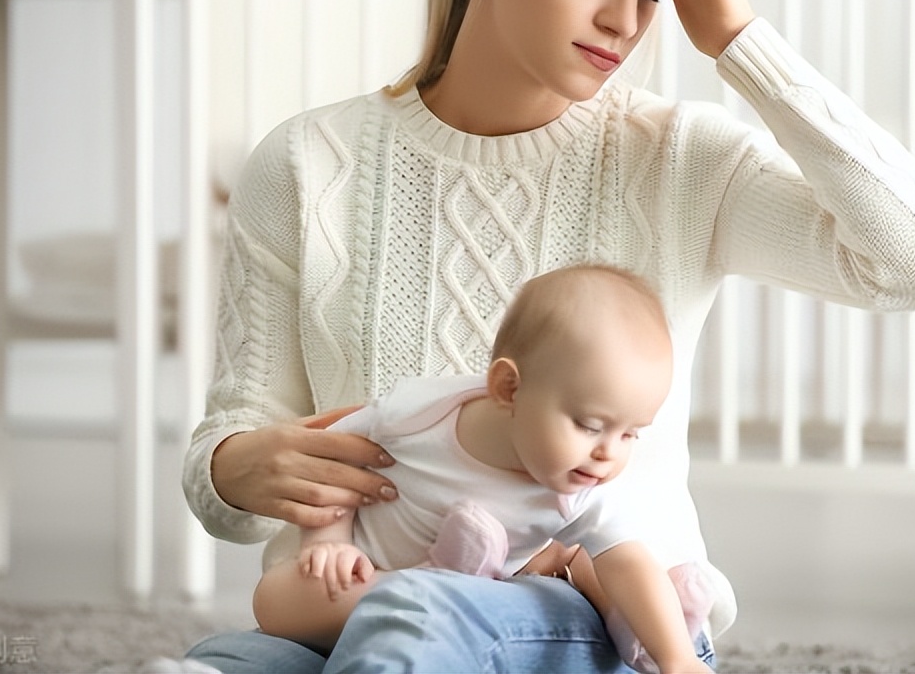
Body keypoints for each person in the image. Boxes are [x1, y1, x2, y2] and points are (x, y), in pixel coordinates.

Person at [182, 0, 915, 674]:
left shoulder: (680, 160)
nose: (625, 21)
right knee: (221, 666)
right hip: (343, 614)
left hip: (600, 619)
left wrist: (742, 42)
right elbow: (234, 462)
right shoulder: (305, 164)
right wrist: (236, 469)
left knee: (416, 627)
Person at [251, 264, 715, 674]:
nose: (608, 453)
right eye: (590, 425)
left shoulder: (582, 488)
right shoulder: (419, 413)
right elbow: (329, 455)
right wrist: (329, 544)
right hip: (362, 581)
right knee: (273, 602)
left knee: (434, 607)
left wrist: (679, 659)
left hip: (456, 609)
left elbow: (628, 562)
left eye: (631, 433)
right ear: (509, 388)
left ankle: (647, 629)